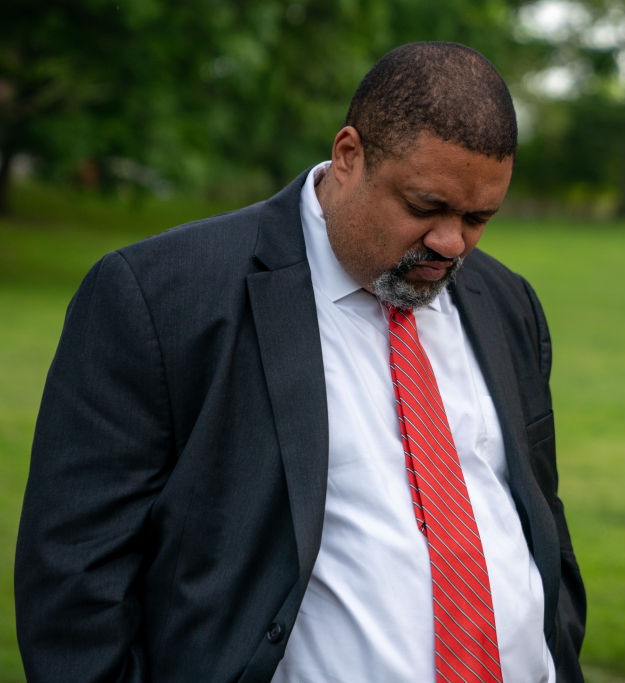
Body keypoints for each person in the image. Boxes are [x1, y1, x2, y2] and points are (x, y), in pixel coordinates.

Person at [15, 42, 585, 682]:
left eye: (479, 217)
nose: (451, 243)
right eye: (425, 207)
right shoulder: (160, 298)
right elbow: (75, 576)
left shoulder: (506, 302)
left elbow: (540, 521)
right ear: (349, 155)